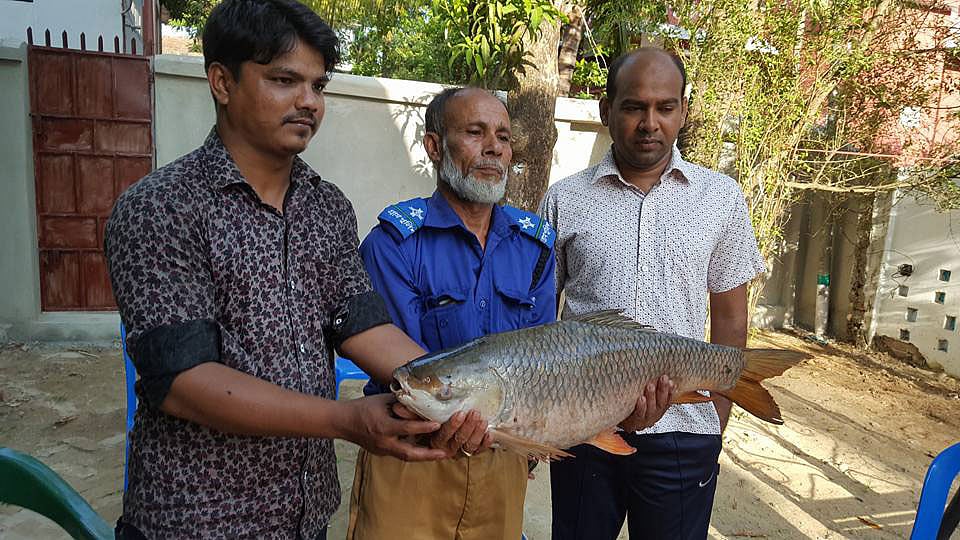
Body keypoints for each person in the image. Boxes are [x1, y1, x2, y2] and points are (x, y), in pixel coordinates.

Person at [104, 1, 479, 538]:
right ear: (221, 82)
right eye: (284, 79)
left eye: (318, 85)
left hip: (304, 516)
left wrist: (466, 394)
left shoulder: (326, 207)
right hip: (195, 519)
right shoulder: (161, 208)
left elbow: (362, 325)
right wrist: (347, 421)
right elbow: (182, 381)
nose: (308, 102)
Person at [539, 47, 767, 540]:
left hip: (685, 431)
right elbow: (542, 316)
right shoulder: (564, 198)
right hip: (585, 430)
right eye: (634, 107)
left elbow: (729, 318)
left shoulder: (720, 198)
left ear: (683, 111)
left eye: (665, 107)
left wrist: (716, 421)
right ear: (607, 110)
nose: (650, 122)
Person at [344, 86, 555, 540]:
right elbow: (408, 373)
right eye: (475, 132)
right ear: (435, 146)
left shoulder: (535, 247)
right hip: (409, 457)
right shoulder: (394, 244)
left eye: (502, 136)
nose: (494, 147)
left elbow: (542, 361)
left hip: (501, 461)